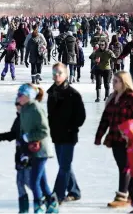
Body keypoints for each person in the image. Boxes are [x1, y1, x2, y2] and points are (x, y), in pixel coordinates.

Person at [47, 62, 86, 204]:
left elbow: (81, 116)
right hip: (56, 135)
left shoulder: (73, 94)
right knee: (65, 165)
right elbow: (50, 115)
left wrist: (70, 127)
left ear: (66, 75)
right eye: (54, 73)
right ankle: (74, 191)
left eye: (60, 73)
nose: (57, 75)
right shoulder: (51, 92)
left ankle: (57, 195)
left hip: (69, 135)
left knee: (64, 166)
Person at [16, 83, 58, 213]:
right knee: (42, 181)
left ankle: (38, 206)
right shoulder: (24, 109)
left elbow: (44, 130)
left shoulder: (36, 108)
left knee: (34, 181)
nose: (18, 97)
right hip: (31, 150)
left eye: (20, 95)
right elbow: (23, 130)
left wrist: (28, 137)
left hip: (41, 150)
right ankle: (52, 204)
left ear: (28, 96)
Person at [95, 71, 133, 208]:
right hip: (115, 138)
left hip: (129, 139)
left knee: (125, 168)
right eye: (113, 81)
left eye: (116, 81)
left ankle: (122, 196)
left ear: (124, 82)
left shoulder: (130, 98)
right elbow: (105, 118)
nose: (113, 83)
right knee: (123, 167)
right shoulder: (113, 97)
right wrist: (99, 135)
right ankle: (127, 196)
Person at [0, 98, 31, 213]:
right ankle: (23, 210)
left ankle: (48, 201)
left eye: (20, 104)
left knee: (30, 182)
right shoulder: (18, 119)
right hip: (19, 156)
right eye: (16, 104)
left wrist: (29, 154)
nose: (17, 106)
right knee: (20, 183)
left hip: (29, 157)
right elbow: (12, 135)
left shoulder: (30, 118)